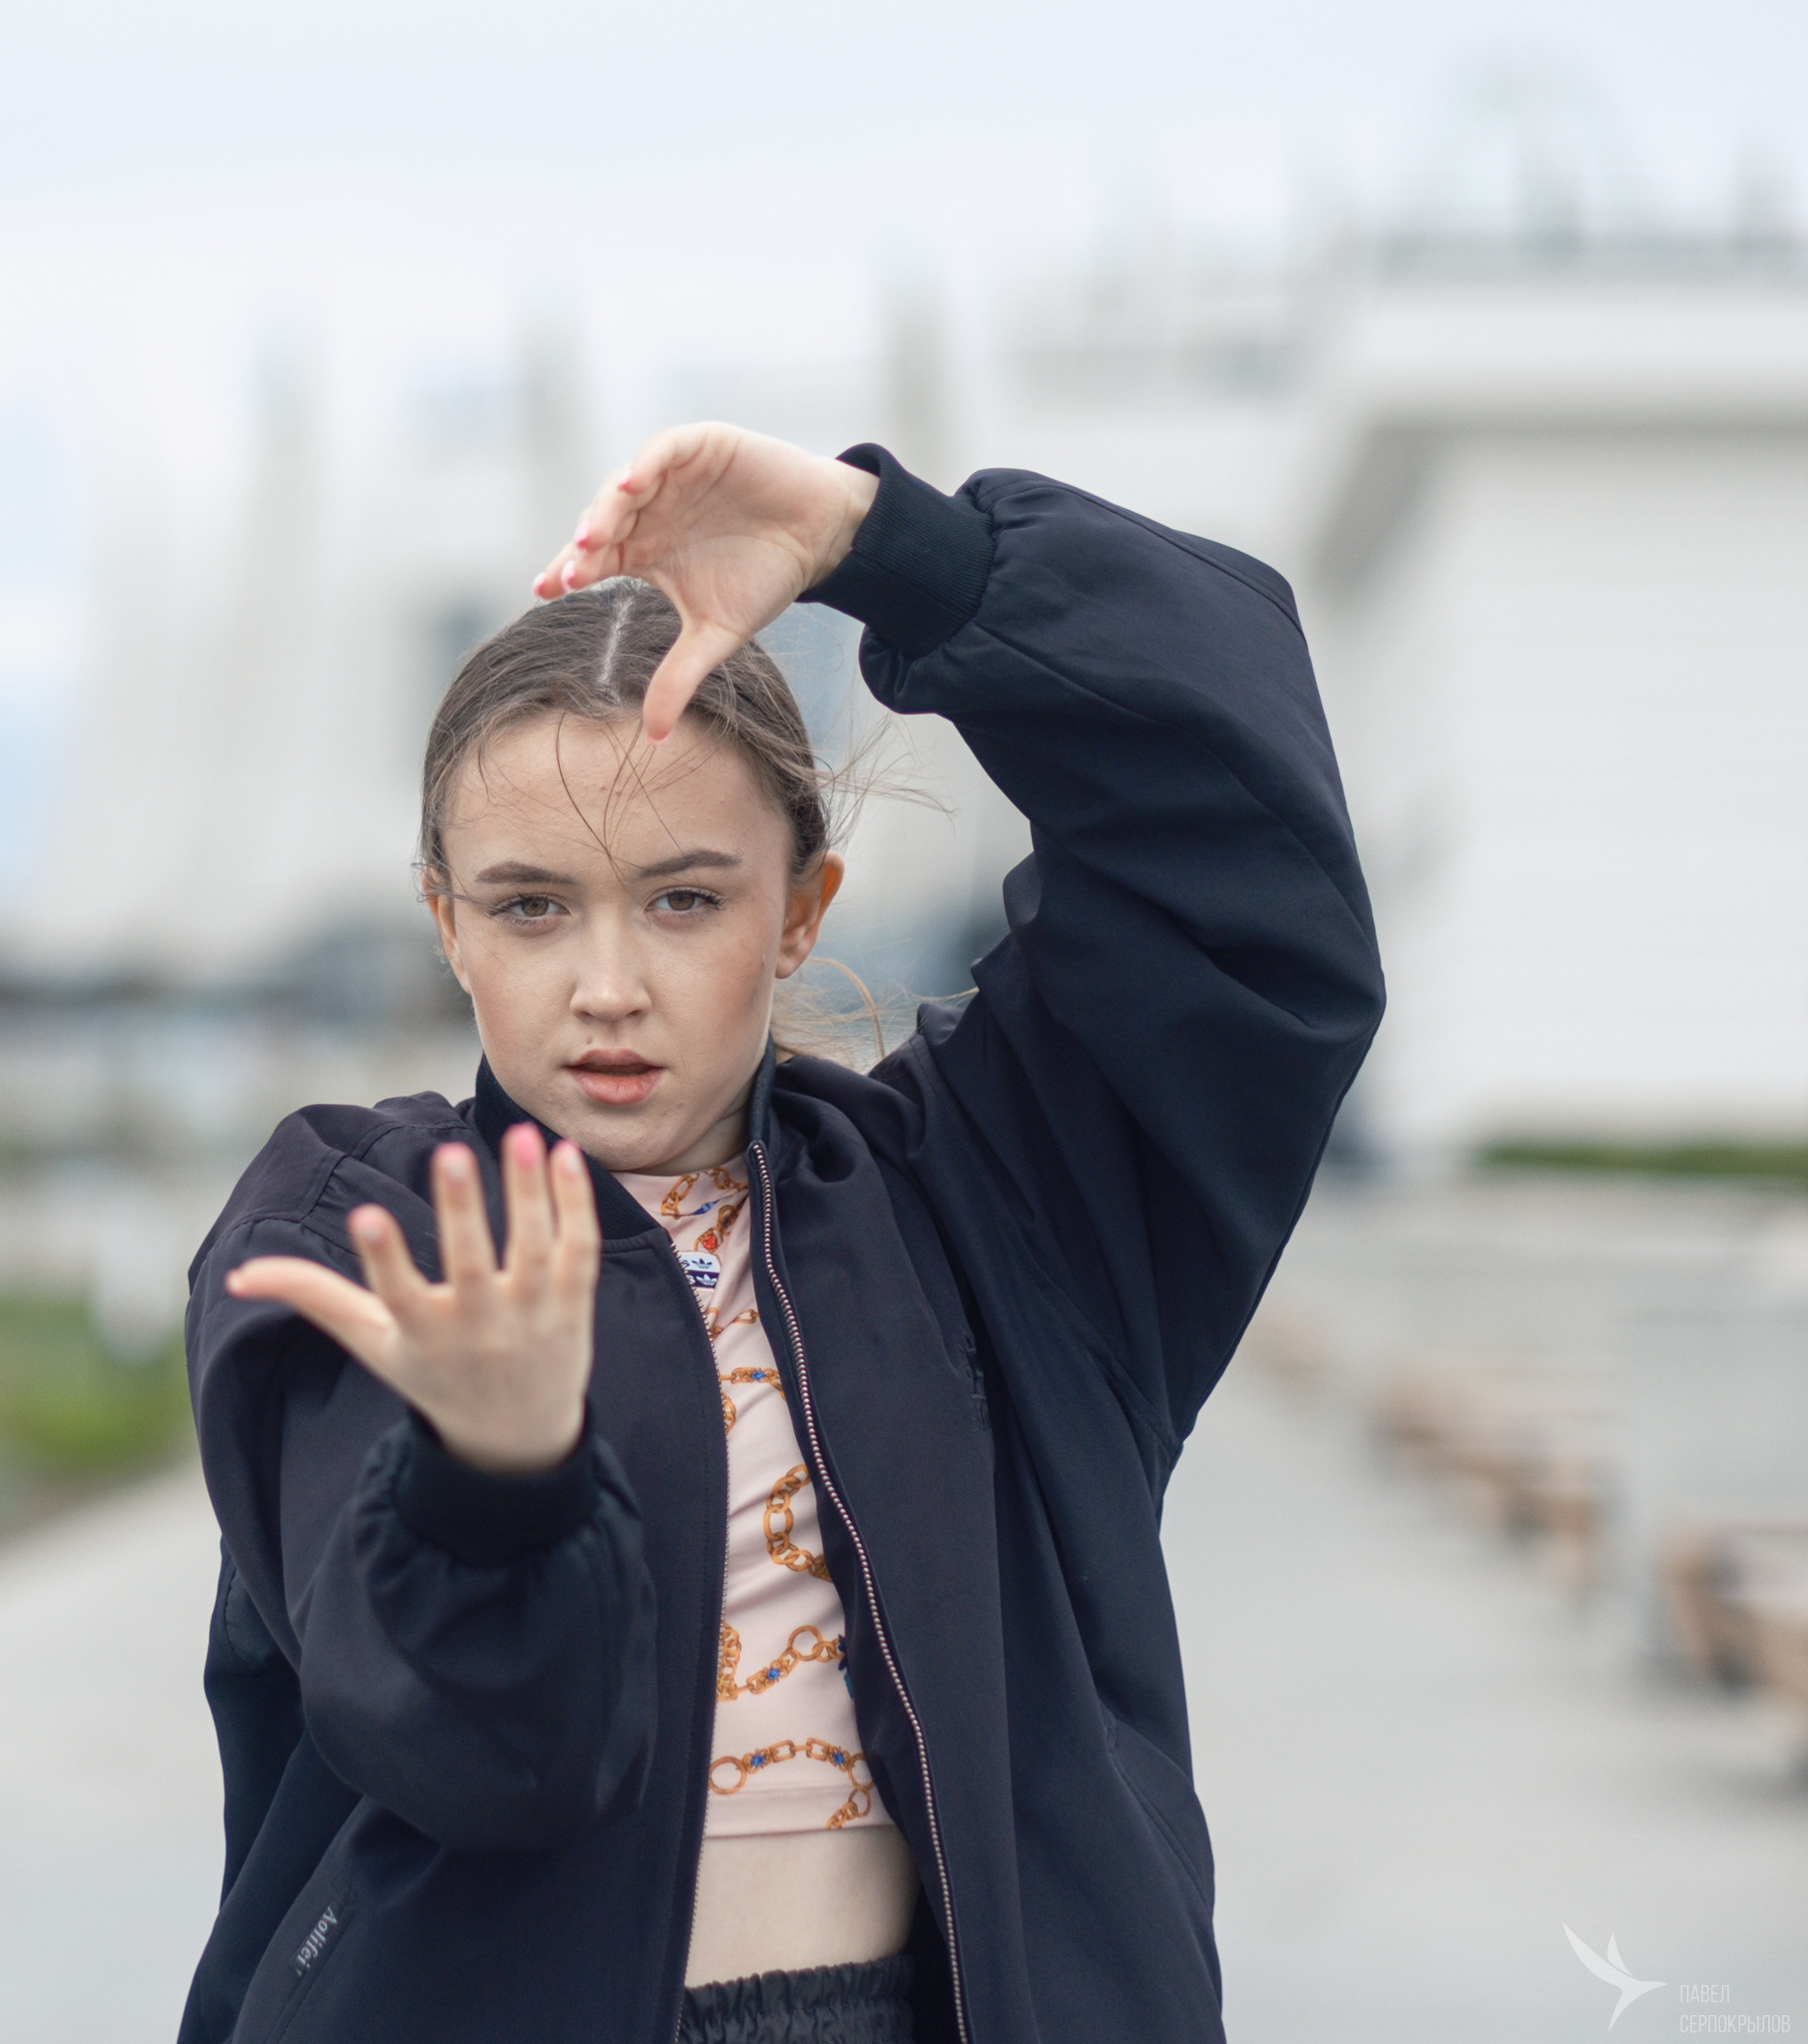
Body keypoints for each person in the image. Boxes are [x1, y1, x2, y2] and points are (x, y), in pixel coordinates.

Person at [177, 424, 1385, 2044]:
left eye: (686, 899)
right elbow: (473, 1748)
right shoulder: (369, 1229)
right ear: (446, 920)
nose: (610, 984)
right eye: (533, 905)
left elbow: (1246, 880)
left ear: (800, 912)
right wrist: (499, 1479)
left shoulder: (993, 1203)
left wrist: (907, 552)